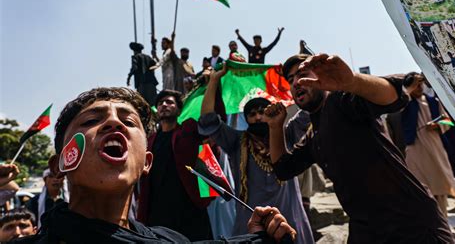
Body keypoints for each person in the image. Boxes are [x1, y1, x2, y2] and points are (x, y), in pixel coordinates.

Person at [14, 87, 296, 243]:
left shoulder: (173, 241)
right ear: (61, 162)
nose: (113, 123)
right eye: (91, 121)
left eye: (129, 122)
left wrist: (260, 240)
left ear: (147, 162)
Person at [265, 54, 454, 243]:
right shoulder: (314, 134)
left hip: (412, 224)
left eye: (302, 74)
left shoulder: (341, 101)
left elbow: (394, 95)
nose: (296, 82)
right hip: (367, 230)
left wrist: (352, 82)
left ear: (320, 77)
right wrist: (275, 127)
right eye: (291, 80)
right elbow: (284, 168)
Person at [198, 66, 314, 244]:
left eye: (263, 112)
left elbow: (309, 110)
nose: (258, 117)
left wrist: (306, 77)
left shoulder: (287, 134)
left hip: (290, 219)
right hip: (251, 224)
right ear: (247, 119)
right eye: (252, 114)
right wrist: (214, 81)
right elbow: (208, 121)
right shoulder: (236, 141)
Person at [136, 88, 226, 241]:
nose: (164, 105)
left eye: (169, 102)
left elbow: (213, 121)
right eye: (160, 103)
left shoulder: (188, 130)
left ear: (178, 110)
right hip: (157, 214)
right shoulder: (149, 141)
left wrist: (213, 84)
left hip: (189, 210)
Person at [401, 72, 455, 217]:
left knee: (439, 184)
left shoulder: (433, 101)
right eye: (415, 85)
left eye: (420, 84)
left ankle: (443, 221)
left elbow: (448, 121)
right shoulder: (405, 103)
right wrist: (408, 88)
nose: (419, 87)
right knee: (420, 186)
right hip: (416, 148)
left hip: (435, 147)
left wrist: (436, 125)